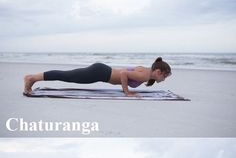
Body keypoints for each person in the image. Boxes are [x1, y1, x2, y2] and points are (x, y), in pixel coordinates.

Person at [23, 57, 172, 96]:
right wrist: (127, 92)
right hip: (100, 73)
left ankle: (33, 78)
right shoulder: (144, 76)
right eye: (164, 77)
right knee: (66, 76)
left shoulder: (146, 72)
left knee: (67, 75)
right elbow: (124, 73)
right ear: (158, 72)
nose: (163, 80)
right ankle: (32, 78)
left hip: (101, 71)